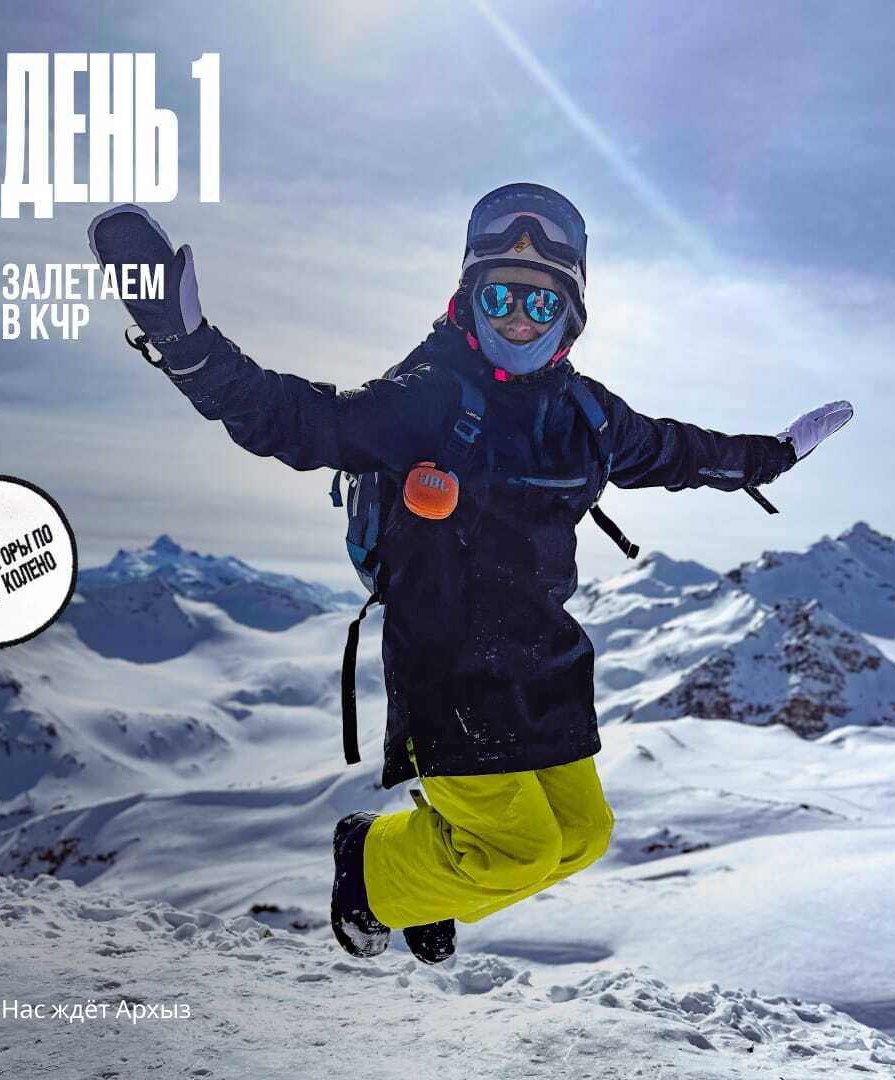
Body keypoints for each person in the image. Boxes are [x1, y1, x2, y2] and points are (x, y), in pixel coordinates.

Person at [87, 184, 853, 967]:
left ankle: (429, 882)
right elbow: (299, 420)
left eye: (540, 301)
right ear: (469, 298)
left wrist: (773, 456)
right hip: (447, 664)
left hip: (546, 657)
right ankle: (371, 868)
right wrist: (191, 350)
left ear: (569, 314)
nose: (519, 316)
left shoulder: (587, 415)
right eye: (500, 295)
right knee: (519, 850)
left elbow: (678, 451)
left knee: (584, 835)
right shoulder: (426, 397)